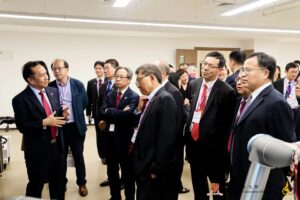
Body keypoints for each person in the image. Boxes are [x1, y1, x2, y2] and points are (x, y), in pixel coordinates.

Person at [230, 52, 297, 200]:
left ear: (265, 73)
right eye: (242, 70)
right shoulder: (251, 98)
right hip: (243, 175)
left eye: (247, 70)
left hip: (263, 183)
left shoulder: (276, 102)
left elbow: (286, 146)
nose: (243, 74)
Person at [12, 61, 67, 199]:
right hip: (38, 151)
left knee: (59, 184)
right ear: (30, 79)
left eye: (46, 73)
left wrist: (63, 115)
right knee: (36, 185)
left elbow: (55, 115)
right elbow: (22, 126)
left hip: (57, 147)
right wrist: (44, 122)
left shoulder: (52, 91)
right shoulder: (20, 99)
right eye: (42, 75)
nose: (47, 77)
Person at [185, 51, 236, 200]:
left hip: (214, 151)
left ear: (220, 70)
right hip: (194, 145)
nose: (205, 68)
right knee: (199, 185)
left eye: (211, 66)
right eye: (204, 64)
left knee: (216, 186)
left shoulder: (227, 91)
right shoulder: (194, 84)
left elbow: (227, 126)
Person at [134, 64, 178, 200]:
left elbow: (166, 139)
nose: (137, 85)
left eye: (139, 80)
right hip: (145, 164)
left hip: (152, 168)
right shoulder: (153, 98)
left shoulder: (165, 99)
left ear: (152, 77)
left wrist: (156, 168)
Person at [49, 58, 88, 197]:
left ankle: (82, 183)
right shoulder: (50, 86)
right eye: (54, 69)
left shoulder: (78, 84)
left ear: (67, 69)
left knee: (78, 156)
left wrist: (73, 114)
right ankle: (62, 182)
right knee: (60, 157)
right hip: (59, 126)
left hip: (75, 126)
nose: (57, 71)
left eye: (60, 68)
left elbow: (84, 103)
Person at [98, 67, 139, 200]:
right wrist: (119, 112)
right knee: (112, 172)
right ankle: (115, 196)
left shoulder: (134, 96)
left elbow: (129, 116)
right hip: (109, 140)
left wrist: (111, 112)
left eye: (122, 77)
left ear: (129, 80)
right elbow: (102, 111)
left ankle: (129, 197)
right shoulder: (110, 94)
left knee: (128, 173)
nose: (118, 79)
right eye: (116, 76)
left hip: (125, 141)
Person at [155, 61, 189, 194]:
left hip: (171, 145)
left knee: (170, 181)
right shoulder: (159, 89)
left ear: (162, 73)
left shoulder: (172, 91)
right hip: (162, 142)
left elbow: (176, 122)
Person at [97, 58, 120, 188]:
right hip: (105, 125)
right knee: (110, 155)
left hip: (118, 125)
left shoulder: (122, 84)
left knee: (120, 155)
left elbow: (121, 109)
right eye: (104, 68)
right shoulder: (105, 85)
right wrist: (102, 119)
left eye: (107, 68)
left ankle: (121, 180)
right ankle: (111, 179)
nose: (104, 70)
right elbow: (101, 106)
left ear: (115, 68)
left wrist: (108, 113)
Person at [86, 61, 106, 162]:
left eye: (100, 68)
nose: (97, 70)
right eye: (96, 68)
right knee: (99, 134)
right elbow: (88, 99)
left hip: (107, 112)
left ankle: (109, 154)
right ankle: (102, 155)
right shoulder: (91, 82)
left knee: (107, 133)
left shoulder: (109, 81)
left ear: (104, 69)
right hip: (96, 112)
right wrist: (88, 114)